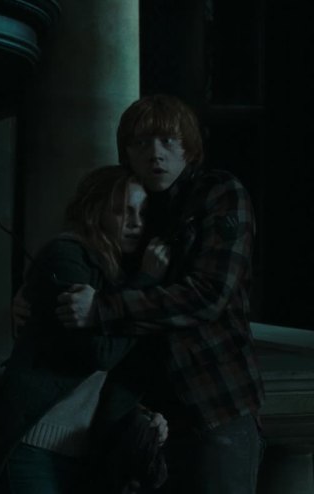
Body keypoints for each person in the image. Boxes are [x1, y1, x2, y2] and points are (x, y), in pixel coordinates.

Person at [56, 95, 265, 493]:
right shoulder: (132, 204)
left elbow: (209, 295)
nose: (155, 154)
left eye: (168, 141)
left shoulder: (219, 192)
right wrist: (37, 298)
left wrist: (103, 309)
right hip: (148, 410)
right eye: (141, 143)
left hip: (215, 402)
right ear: (127, 153)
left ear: (188, 147)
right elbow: (90, 261)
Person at [0, 166, 170, 494]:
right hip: (35, 442)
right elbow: (100, 353)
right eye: (122, 210)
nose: (136, 222)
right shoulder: (67, 254)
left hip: (81, 451)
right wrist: (145, 284)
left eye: (142, 212)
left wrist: (141, 413)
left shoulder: (117, 271)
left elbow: (117, 369)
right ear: (96, 211)